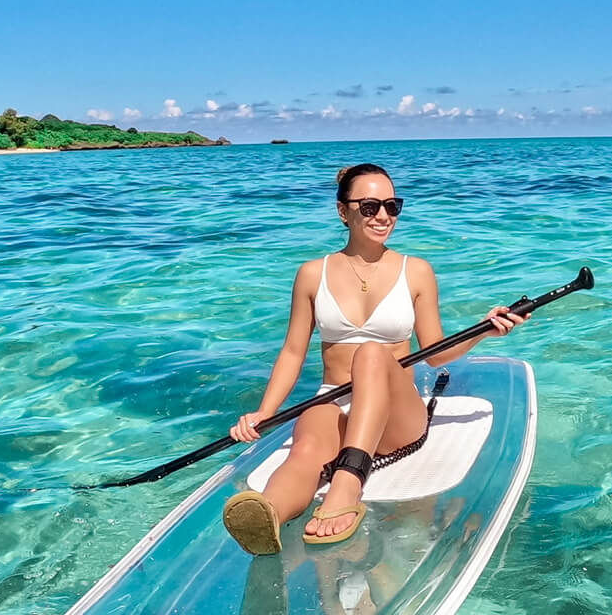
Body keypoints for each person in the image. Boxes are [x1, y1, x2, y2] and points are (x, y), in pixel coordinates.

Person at [220, 163, 526, 553]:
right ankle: (268, 516)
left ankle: (349, 481)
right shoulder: (313, 274)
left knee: (371, 353)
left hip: (397, 412)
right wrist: (264, 412)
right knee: (306, 447)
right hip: (334, 395)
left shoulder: (415, 271)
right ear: (342, 211)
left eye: (391, 206)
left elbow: (434, 352)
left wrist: (485, 329)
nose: (383, 216)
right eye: (369, 207)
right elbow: (293, 351)